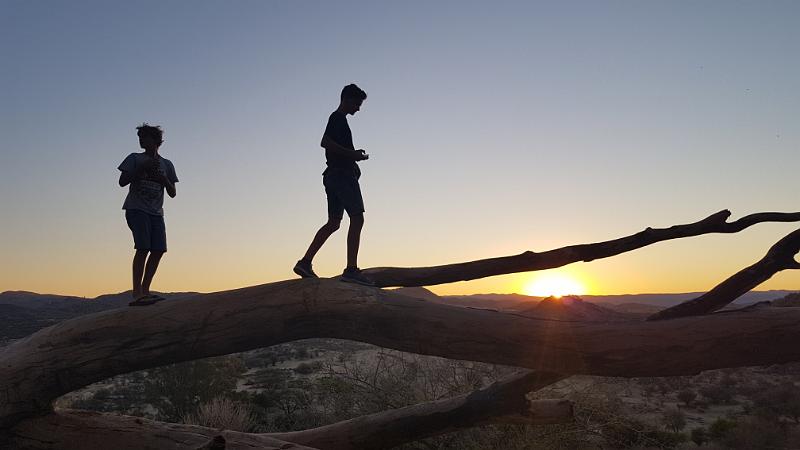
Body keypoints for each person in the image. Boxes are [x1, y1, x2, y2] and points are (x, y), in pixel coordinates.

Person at [294, 84, 374, 286]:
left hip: (334, 176)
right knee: (357, 218)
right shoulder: (337, 118)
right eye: (357, 103)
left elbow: (333, 147)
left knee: (334, 222)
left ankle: (305, 262)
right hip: (341, 175)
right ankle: (351, 270)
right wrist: (353, 156)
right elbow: (325, 142)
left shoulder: (339, 120)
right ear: (346, 99)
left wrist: (354, 158)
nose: (358, 108)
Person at [118, 123, 179, 306]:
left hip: (156, 213)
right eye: (140, 137)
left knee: (159, 249)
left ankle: (146, 290)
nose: (141, 140)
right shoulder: (134, 158)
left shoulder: (167, 164)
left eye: (145, 137)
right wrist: (140, 168)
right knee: (143, 248)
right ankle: (137, 293)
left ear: (156, 140)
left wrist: (163, 179)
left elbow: (173, 192)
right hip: (137, 209)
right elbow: (122, 181)